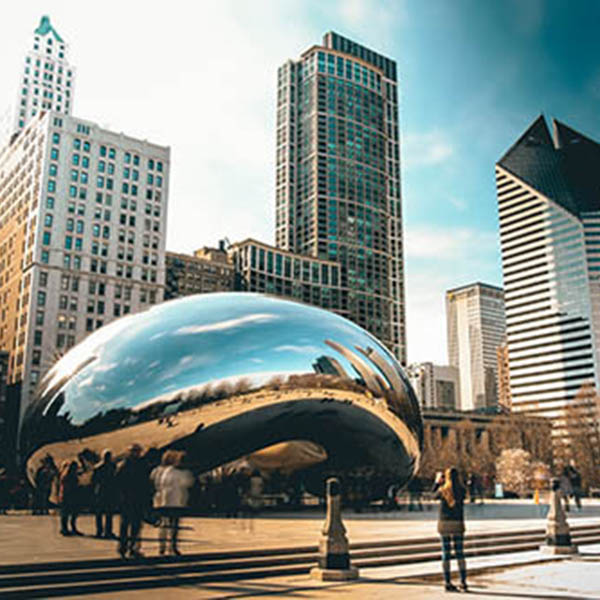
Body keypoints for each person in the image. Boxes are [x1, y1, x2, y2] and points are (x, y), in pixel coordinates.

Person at [150, 450, 194, 556]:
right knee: (173, 525)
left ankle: (163, 546)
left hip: (165, 500)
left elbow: (158, 484)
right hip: (175, 501)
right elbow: (189, 483)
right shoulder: (183, 473)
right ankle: (171, 546)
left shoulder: (166, 471)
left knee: (165, 524)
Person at [433, 468, 467, 592]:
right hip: (457, 523)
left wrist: (437, 482)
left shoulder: (442, 490)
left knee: (446, 554)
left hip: (444, 524)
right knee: (460, 553)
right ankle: (463, 581)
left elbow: (433, 495)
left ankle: (447, 582)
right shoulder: (462, 490)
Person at [115, 444, 148, 559]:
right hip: (136, 499)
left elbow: (117, 484)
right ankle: (133, 548)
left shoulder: (122, 465)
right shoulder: (141, 465)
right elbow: (145, 484)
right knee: (135, 526)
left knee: (125, 525)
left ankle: (123, 548)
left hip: (126, 500)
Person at [92, 449, 117, 538]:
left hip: (100, 491)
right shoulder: (112, 466)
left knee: (99, 513)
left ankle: (99, 531)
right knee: (108, 513)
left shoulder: (97, 467)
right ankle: (108, 531)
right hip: (109, 491)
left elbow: (93, 481)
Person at [59, 460, 82, 536]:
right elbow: (69, 486)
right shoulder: (69, 476)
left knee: (67, 513)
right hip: (69, 496)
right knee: (68, 513)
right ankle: (66, 528)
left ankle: (65, 528)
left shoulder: (66, 474)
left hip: (66, 496)